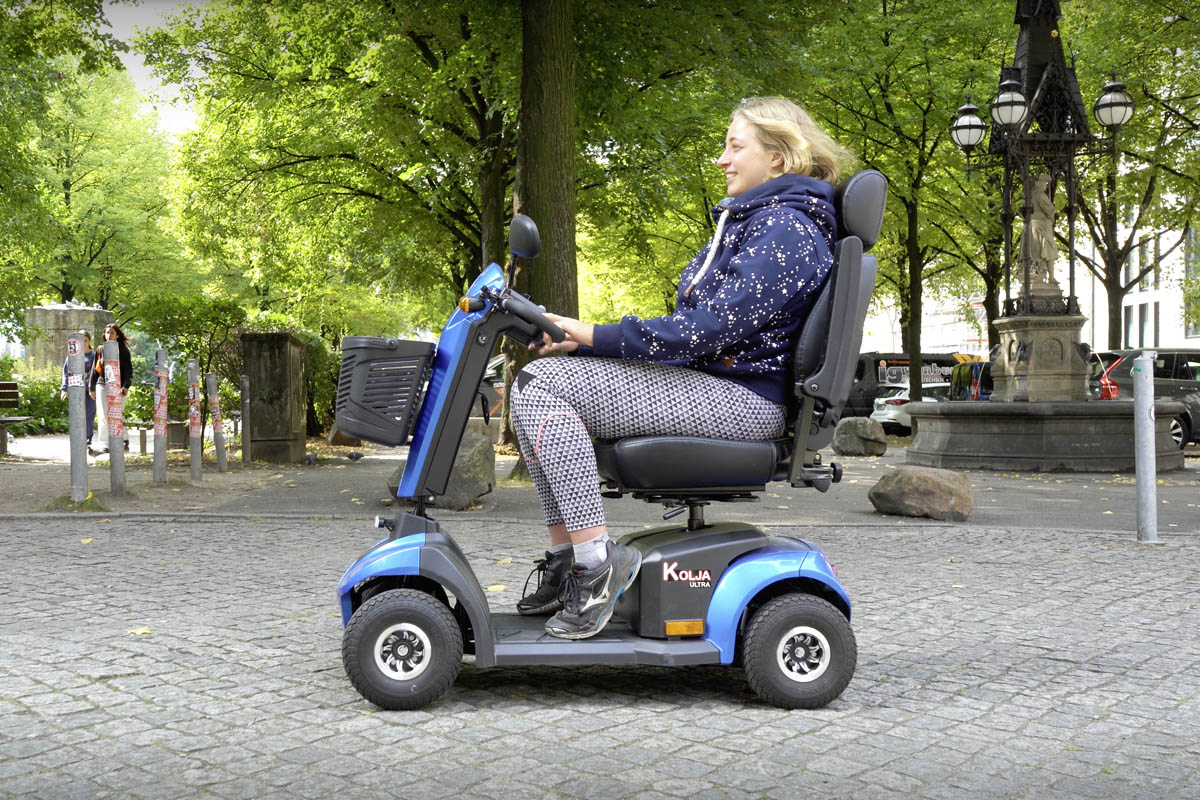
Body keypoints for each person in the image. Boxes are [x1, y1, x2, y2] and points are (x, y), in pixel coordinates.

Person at [511, 96, 852, 640]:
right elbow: (697, 331)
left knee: (545, 386)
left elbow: (703, 330)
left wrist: (595, 335)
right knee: (536, 384)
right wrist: (588, 345)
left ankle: (597, 566)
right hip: (718, 386)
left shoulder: (787, 229)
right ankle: (570, 559)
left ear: (779, 160)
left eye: (734, 146)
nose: (722, 158)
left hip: (745, 401)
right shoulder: (758, 221)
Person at [90, 322, 133, 452]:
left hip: (118, 387)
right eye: (107, 332)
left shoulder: (123, 351)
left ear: (117, 336)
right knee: (103, 415)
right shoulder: (100, 349)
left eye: (112, 333)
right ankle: (104, 444)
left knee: (117, 413)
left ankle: (124, 439)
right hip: (102, 384)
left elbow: (129, 371)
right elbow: (95, 370)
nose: (108, 335)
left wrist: (126, 386)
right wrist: (91, 387)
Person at [60, 331, 98, 455]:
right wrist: (64, 389)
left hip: (90, 391)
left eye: (85, 340)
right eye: (80, 341)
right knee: (77, 416)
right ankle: (78, 441)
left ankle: (87, 440)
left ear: (89, 341)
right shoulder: (72, 355)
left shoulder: (94, 355)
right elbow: (66, 372)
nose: (83, 343)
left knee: (89, 416)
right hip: (76, 390)